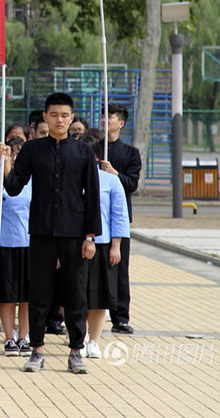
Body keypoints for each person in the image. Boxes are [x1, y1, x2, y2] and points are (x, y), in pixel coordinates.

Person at [0, 92, 101, 374]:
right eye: (53, 115)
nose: (59, 120)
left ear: (71, 118)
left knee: (76, 292)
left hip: (75, 231)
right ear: (44, 117)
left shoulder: (82, 152)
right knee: (39, 290)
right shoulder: (33, 150)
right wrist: (6, 161)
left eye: (64, 115)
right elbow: (13, 187)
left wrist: (90, 236)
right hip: (42, 229)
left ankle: (76, 350)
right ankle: (37, 349)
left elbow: (92, 196)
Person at [79, 134, 129, 359]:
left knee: (98, 297)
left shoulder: (110, 181)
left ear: (98, 157)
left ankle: (94, 341)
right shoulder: (71, 179)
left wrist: (115, 246)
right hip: (76, 244)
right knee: (77, 295)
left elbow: (119, 214)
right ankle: (78, 338)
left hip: (102, 244)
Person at [0, 136, 31, 356]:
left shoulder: (34, 182)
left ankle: (24, 337)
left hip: (30, 244)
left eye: (19, 154)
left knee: (27, 296)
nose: (15, 158)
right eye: (11, 154)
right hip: (4, 244)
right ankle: (9, 338)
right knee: (8, 295)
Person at [100, 103, 141, 335]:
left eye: (111, 117)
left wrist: (114, 173)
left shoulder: (130, 154)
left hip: (118, 218)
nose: (106, 120)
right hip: (96, 217)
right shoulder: (94, 148)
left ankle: (121, 317)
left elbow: (132, 184)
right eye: (104, 117)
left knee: (120, 268)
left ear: (121, 123)